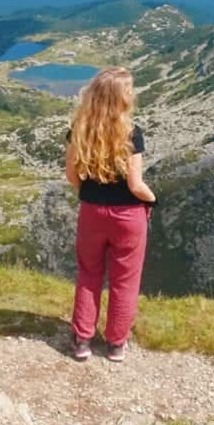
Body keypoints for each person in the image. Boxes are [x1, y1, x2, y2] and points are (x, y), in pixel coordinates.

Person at [64, 67, 156, 362]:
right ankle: (116, 344)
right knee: (125, 279)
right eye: (129, 90)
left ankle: (82, 340)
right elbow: (135, 184)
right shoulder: (131, 133)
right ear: (120, 98)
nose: (132, 95)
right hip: (128, 216)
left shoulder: (79, 128)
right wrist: (153, 199)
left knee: (89, 273)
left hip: (92, 212)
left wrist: (88, 193)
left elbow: (71, 174)